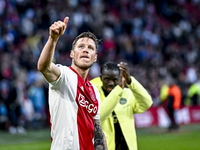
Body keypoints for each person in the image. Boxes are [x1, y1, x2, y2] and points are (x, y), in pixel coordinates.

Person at [37, 16, 107, 150]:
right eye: (81, 46)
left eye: (90, 48)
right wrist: (53, 39)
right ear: (72, 54)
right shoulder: (64, 75)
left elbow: (98, 132)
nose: (85, 50)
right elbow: (43, 67)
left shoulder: (95, 91)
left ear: (95, 58)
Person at [90, 61, 153, 150]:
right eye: (107, 79)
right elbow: (98, 117)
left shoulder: (126, 94)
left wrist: (130, 81)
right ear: (101, 78)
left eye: (115, 79)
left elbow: (147, 103)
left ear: (120, 78)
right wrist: (118, 90)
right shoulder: (93, 94)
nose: (111, 83)